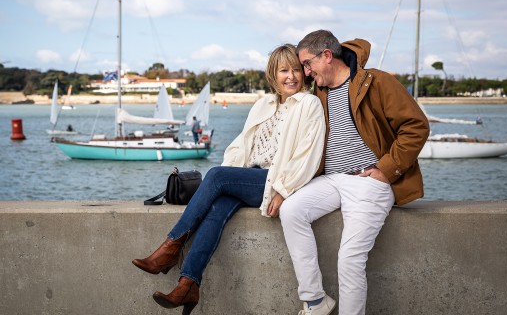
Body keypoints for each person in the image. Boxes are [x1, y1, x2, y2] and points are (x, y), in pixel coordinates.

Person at [132, 44, 326, 314]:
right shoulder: (263, 105)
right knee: (216, 206)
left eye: (296, 69)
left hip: (276, 180)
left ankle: (170, 247)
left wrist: (282, 189)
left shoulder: (309, 104)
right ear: (274, 74)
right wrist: (222, 183)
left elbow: (308, 155)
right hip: (251, 176)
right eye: (284, 70)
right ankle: (188, 284)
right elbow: (240, 147)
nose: (291, 76)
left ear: (304, 74)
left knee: (216, 175)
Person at [279, 30, 430, 315]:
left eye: (308, 64)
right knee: (291, 210)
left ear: (327, 56)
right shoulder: (318, 92)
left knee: (349, 259)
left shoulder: (377, 82)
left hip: (369, 182)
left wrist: (386, 169)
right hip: (330, 180)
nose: (306, 73)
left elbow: (416, 126)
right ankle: (315, 302)